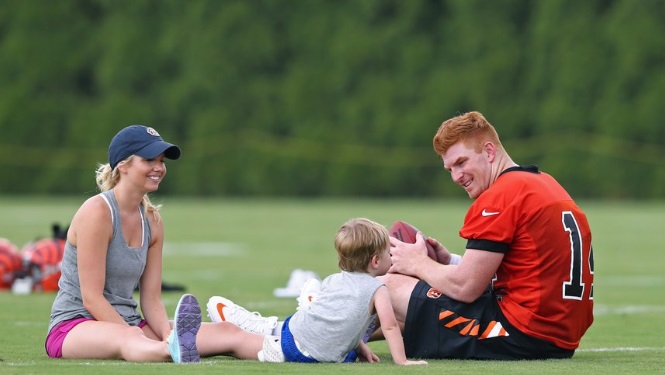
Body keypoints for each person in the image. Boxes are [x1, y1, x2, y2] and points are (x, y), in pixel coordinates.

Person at [376, 111, 594, 360]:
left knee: (389, 286)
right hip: (558, 335)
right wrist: (452, 263)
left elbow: (466, 287)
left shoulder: (501, 195)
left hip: (522, 333)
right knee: (407, 314)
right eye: (449, 169)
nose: (456, 177)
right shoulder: (545, 183)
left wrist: (417, 263)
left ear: (489, 152)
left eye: (461, 163)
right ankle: (336, 325)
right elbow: (525, 270)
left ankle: (326, 318)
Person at [44, 125, 230, 363]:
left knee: (226, 333)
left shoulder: (153, 221)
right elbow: (91, 298)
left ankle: (283, 341)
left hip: (130, 323)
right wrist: (143, 337)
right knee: (130, 338)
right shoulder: (97, 212)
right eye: (149, 159)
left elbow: (151, 299)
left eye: (162, 161)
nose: (159, 168)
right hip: (75, 326)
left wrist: (167, 333)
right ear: (123, 164)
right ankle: (173, 350)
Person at [205, 218, 428, 365]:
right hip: (305, 351)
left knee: (241, 340)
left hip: (297, 336)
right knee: (236, 343)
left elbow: (346, 322)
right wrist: (402, 361)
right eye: (389, 253)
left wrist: (360, 349)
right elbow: (389, 326)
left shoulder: (334, 280)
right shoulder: (378, 289)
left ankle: (295, 314)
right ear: (376, 260)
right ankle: (177, 346)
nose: (392, 257)